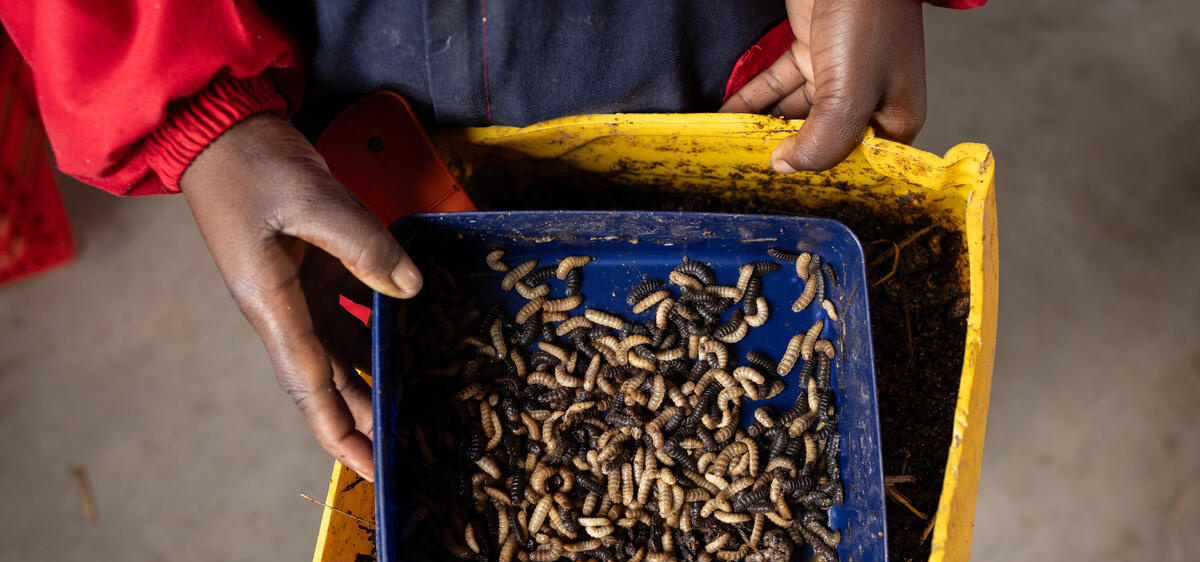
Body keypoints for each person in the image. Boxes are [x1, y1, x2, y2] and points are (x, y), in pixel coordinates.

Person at [0, 0, 985, 479]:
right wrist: (197, 112)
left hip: (689, 34)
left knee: (732, 359)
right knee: (453, 374)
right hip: (343, 59)